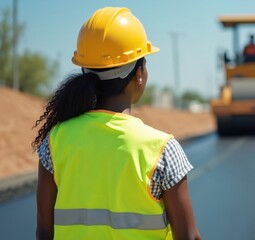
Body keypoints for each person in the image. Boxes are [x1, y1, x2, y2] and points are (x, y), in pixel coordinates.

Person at [33, 7, 201, 240]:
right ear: (139, 73)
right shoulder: (163, 150)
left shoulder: (54, 141)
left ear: (84, 69)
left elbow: (44, 232)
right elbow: (189, 237)